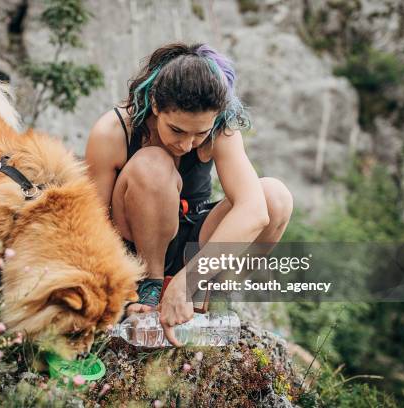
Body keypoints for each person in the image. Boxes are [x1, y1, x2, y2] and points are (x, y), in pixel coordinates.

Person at [85, 43, 293, 345]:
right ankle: (150, 289)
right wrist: (119, 293)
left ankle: (206, 296)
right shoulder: (113, 131)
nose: (187, 145)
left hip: (193, 250)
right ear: (156, 105)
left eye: (200, 134)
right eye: (177, 130)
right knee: (152, 164)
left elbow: (254, 211)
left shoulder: (221, 129)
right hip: (134, 252)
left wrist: (189, 280)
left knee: (275, 197)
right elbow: (93, 226)